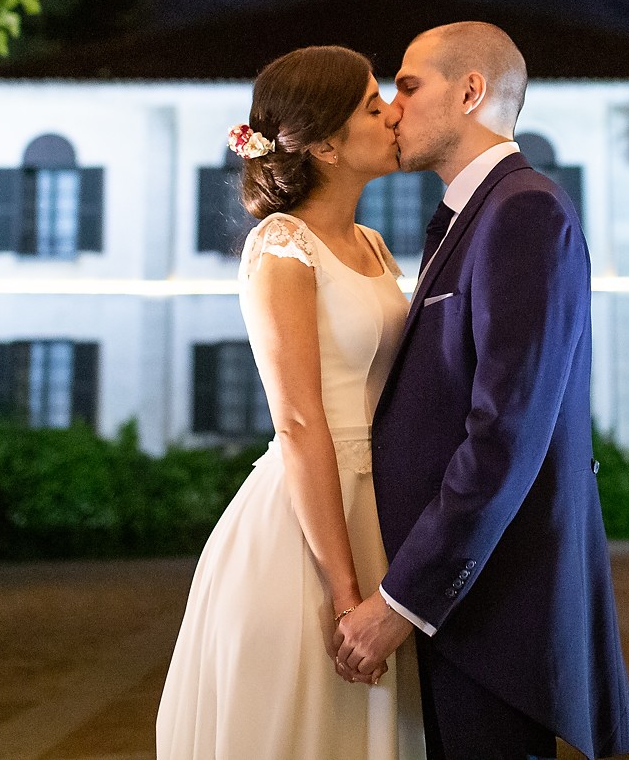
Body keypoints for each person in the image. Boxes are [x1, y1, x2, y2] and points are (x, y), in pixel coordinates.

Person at [335, 22, 629, 760]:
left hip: (491, 618)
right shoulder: (472, 215)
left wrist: (403, 599)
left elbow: (504, 435)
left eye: (408, 85)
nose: (391, 106)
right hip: (457, 619)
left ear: (471, 90)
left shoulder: (525, 210)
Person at [156, 45, 426, 760]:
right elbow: (300, 420)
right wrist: (347, 598)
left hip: (383, 503)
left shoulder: (369, 243)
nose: (395, 112)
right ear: (328, 144)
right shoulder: (281, 247)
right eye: (375, 104)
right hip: (311, 519)